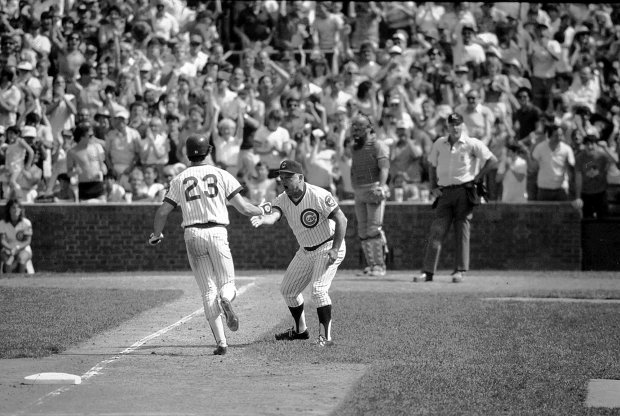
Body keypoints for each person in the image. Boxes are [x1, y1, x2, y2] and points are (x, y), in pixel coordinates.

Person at [149, 135, 268, 356]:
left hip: (192, 233)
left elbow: (162, 211)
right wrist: (265, 210)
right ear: (209, 150)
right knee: (227, 283)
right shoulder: (222, 174)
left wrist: (157, 235)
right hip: (217, 231)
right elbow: (244, 208)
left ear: (187, 153)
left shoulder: (180, 178)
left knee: (207, 290)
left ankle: (222, 343)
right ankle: (226, 298)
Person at [250, 160, 347, 346]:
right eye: (282, 177)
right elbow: (274, 215)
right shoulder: (283, 199)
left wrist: (335, 248)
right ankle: (300, 331)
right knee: (288, 291)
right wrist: (264, 220)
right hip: (306, 250)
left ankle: (325, 338)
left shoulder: (318, 195)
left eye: (288, 176)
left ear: (300, 177)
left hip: (328, 245)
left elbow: (342, 220)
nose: (284, 180)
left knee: (318, 290)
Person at [415, 113, 497, 283]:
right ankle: (428, 272)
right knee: (436, 230)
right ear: (447, 126)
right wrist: (433, 186)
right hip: (445, 192)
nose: (455, 127)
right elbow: (432, 165)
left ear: (463, 125)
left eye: (458, 124)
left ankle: (460, 270)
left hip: (464, 191)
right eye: (452, 124)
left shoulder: (472, 143)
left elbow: (492, 161)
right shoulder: (439, 143)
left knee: (462, 232)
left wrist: (478, 178)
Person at [349, 114, 390, 277]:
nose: (356, 130)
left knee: (374, 228)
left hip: (373, 188)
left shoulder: (378, 145)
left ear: (369, 128)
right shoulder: (355, 147)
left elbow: (384, 167)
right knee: (363, 230)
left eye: (360, 127)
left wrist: (381, 186)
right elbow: (353, 167)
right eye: (354, 127)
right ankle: (371, 264)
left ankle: (380, 265)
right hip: (359, 190)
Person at [66, 123, 107, 202]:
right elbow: (69, 173)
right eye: (90, 136)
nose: (93, 138)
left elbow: (103, 166)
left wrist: (103, 170)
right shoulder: (72, 152)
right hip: (84, 186)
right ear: (82, 137)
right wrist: (75, 172)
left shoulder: (96, 147)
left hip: (98, 184)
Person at [0, 198, 33, 274]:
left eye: (18, 207)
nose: (15, 210)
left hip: (23, 248)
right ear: (9, 209)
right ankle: (8, 282)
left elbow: (28, 241)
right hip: (8, 248)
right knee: (7, 261)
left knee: (22, 259)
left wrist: (18, 248)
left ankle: (20, 281)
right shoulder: (2, 223)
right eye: (13, 208)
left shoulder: (26, 223)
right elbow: (2, 240)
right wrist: (11, 249)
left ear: (21, 210)